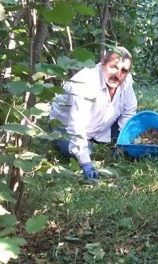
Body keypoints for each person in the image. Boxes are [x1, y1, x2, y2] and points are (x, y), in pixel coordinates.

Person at [50, 46, 137, 179]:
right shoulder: (84, 82)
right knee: (76, 151)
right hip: (66, 127)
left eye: (124, 70)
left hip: (102, 122)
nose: (118, 74)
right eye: (113, 67)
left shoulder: (127, 80)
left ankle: (106, 142)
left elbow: (129, 111)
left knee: (136, 134)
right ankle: (86, 146)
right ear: (103, 63)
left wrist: (122, 143)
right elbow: (76, 126)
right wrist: (86, 164)